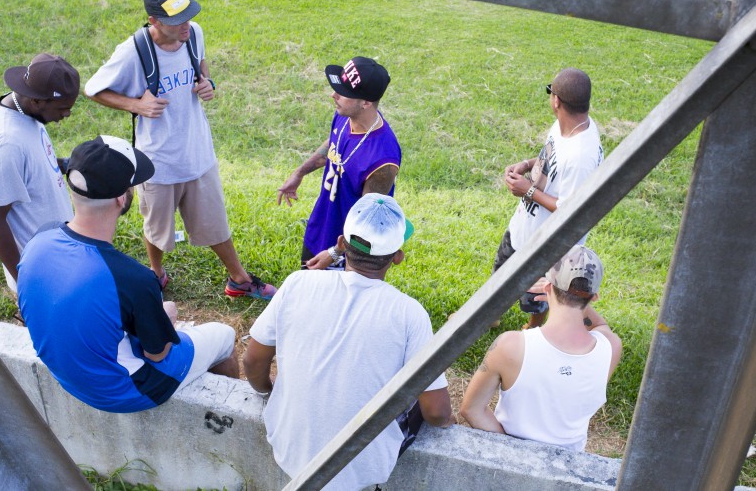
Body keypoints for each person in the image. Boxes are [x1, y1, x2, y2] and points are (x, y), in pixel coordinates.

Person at [243, 193, 453, 490]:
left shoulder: (297, 283)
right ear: (397, 257)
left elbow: (252, 361)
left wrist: (268, 390)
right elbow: (437, 412)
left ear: (341, 243)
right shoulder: (409, 313)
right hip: (362, 470)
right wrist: (450, 425)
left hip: (288, 449)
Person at [17, 135, 239, 413]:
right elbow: (157, 353)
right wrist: (165, 317)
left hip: (68, 376)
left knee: (156, 314)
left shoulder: (40, 238)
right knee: (225, 335)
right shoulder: (133, 279)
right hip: (128, 392)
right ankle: (223, 415)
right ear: (121, 199)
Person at [84, 0, 275, 299]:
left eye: (188, 16)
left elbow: (200, 60)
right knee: (157, 230)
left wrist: (207, 81)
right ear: (155, 21)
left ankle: (238, 279)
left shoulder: (193, 33)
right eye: (177, 20)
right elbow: (93, 89)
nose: (186, 24)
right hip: (158, 162)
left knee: (216, 224)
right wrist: (136, 105)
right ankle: (156, 275)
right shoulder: (133, 51)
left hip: (198, 153)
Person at [460, 245, 621, 451]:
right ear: (594, 297)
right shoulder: (611, 348)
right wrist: (576, 298)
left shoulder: (510, 345)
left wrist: (511, 449)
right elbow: (601, 326)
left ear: (547, 287)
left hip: (507, 460)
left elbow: (471, 409)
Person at [495, 67, 604, 329]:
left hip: (547, 245)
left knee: (537, 294)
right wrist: (525, 165)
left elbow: (571, 211)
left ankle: (534, 326)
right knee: (500, 275)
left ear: (556, 100)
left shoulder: (582, 157)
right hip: (524, 226)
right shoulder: (565, 126)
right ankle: (489, 316)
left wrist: (527, 190)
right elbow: (550, 156)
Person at [276, 56, 401, 270]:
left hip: (349, 253)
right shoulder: (345, 116)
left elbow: (368, 221)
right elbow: (333, 145)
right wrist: (300, 172)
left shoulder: (382, 159)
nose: (334, 95)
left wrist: (335, 252)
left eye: (344, 93)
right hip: (320, 227)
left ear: (366, 103)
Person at [0, 53, 79, 292]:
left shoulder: (25, 112)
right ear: (37, 101)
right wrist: (25, 282)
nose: (67, 115)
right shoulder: (6, 143)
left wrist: (71, 164)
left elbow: (32, 164)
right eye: (63, 109)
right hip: (41, 274)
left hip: (59, 257)